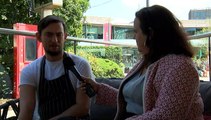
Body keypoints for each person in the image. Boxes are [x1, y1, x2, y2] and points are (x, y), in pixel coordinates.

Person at [81, 5, 204, 120]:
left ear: (150, 34)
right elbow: (132, 99)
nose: (134, 37)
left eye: (136, 31)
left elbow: (166, 115)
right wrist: (99, 89)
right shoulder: (146, 62)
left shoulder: (181, 67)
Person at [18, 15, 95, 120]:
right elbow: (26, 110)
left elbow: (83, 107)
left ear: (65, 37)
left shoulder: (80, 65)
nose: (55, 40)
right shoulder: (29, 71)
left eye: (59, 35)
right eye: (49, 35)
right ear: (38, 37)